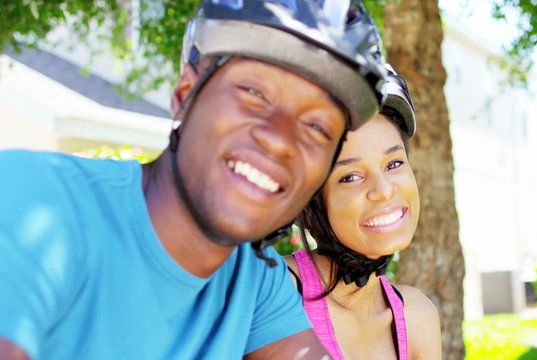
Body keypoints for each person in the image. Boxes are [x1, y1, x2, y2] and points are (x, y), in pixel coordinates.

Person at [0, 0, 388, 359]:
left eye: (318, 127)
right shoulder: (34, 204)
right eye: (254, 92)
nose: (279, 139)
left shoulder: (254, 281)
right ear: (185, 93)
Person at [286, 67, 442, 360]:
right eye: (350, 177)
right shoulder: (271, 293)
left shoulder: (416, 317)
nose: (383, 190)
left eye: (394, 164)